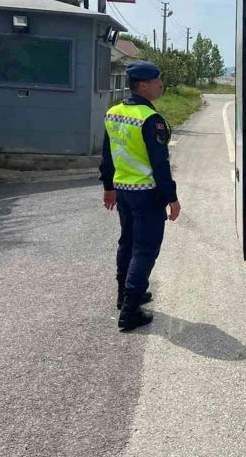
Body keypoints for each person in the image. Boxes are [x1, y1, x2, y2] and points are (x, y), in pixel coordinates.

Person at [99, 60, 181, 332]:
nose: (161, 84)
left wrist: (108, 187)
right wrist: (172, 197)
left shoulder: (114, 112)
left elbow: (107, 155)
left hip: (124, 191)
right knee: (144, 249)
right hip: (146, 193)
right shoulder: (150, 119)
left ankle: (124, 294)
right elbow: (160, 164)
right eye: (158, 80)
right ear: (144, 85)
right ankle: (130, 311)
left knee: (128, 243)